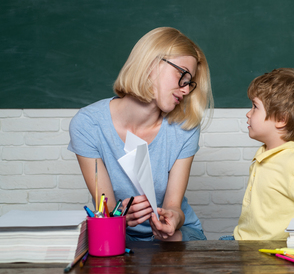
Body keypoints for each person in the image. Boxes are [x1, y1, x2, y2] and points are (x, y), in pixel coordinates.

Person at [68, 27, 213, 242]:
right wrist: (119, 215)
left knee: (171, 246)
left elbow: (174, 205)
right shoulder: (88, 124)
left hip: (174, 237)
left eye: (189, 83)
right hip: (117, 234)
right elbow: (105, 209)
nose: (185, 90)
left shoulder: (185, 127)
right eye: (181, 75)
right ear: (150, 64)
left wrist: (173, 218)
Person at [225, 68, 294, 243]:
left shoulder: (293, 164)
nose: (248, 113)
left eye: (255, 107)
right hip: (243, 242)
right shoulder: (266, 154)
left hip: (266, 252)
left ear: (281, 119)